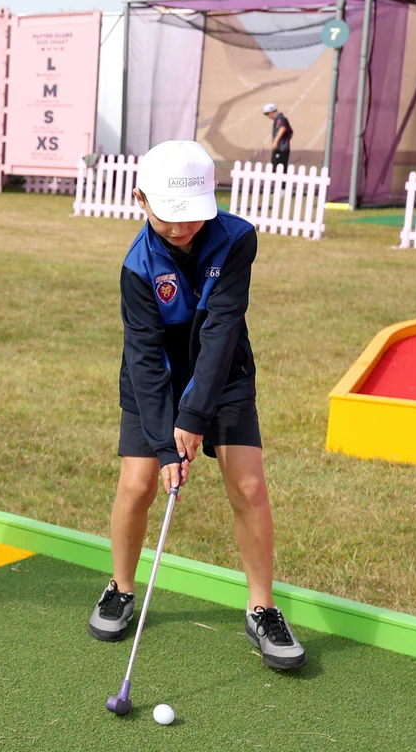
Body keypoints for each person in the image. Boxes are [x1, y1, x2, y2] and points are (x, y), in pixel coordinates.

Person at [88, 140, 305, 671]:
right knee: (136, 485)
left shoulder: (236, 241)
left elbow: (222, 328)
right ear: (141, 199)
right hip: (153, 381)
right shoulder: (137, 267)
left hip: (222, 370)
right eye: (169, 218)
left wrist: (195, 417)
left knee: (249, 485)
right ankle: (119, 588)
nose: (183, 229)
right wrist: (168, 444)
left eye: (192, 217)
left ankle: (262, 608)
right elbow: (142, 358)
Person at [262, 102, 292, 167]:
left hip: (281, 149)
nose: (268, 116)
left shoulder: (280, 118)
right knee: (278, 167)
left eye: (267, 114)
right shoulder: (281, 119)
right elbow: (291, 132)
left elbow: (282, 128)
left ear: (271, 112)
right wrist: (286, 140)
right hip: (282, 147)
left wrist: (276, 141)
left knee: (277, 168)